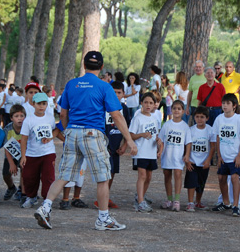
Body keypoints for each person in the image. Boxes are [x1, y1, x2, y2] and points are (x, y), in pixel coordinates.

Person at [35, 51, 137, 231]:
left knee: (65, 175)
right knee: (103, 177)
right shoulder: (104, 87)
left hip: (73, 131)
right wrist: (129, 140)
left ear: (84, 64)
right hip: (93, 133)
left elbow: (63, 113)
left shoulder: (71, 84)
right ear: (102, 67)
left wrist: (68, 131)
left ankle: (45, 207)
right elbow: (116, 115)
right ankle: (103, 219)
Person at [21, 93, 63, 225]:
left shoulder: (50, 118)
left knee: (48, 177)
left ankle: (46, 201)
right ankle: (31, 196)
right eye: (39, 103)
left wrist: (51, 137)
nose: (41, 106)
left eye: (44, 103)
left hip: (48, 152)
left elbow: (56, 130)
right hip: (32, 154)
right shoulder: (29, 120)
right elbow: (24, 138)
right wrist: (23, 155)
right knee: (29, 176)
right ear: (33, 104)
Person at [211, 93, 240, 217]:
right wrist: (219, 155)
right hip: (224, 155)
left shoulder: (238, 119)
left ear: (234, 106)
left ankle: (236, 204)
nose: (225, 106)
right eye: (223, 103)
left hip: (235, 156)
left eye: (228, 103)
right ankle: (226, 202)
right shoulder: (219, 119)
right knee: (221, 178)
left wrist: (239, 155)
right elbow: (218, 137)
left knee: (234, 178)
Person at [99, 81, 131, 209]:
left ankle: (106, 196)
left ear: (123, 94)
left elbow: (127, 127)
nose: (116, 95)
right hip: (104, 145)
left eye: (119, 92)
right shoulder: (103, 107)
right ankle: (101, 199)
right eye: (114, 92)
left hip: (116, 146)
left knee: (112, 172)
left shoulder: (124, 108)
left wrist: (124, 145)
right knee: (105, 172)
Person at [130, 92, 163, 213]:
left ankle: (140, 197)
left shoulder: (154, 119)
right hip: (141, 152)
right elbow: (131, 135)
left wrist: (158, 142)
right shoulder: (137, 118)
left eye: (151, 103)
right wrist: (142, 135)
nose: (148, 105)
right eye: (146, 102)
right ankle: (140, 202)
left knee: (149, 177)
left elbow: (155, 134)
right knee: (142, 176)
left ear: (155, 105)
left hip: (151, 152)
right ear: (141, 103)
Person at [159, 100, 192, 212]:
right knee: (167, 175)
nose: (176, 111)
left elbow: (188, 142)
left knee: (178, 175)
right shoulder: (167, 125)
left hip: (178, 156)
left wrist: (187, 155)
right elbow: (161, 140)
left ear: (183, 111)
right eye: (174, 108)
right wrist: (160, 151)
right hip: (167, 154)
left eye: (179, 109)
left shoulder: (185, 126)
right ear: (171, 110)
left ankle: (177, 200)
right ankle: (169, 199)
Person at [184, 105, 216, 211]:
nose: (199, 119)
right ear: (194, 118)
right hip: (193, 161)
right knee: (191, 182)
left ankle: (198, 201)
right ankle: (190, 202)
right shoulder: (191, 130)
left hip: (204, 162)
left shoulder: (210, 130)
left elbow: (212, 147)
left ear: (207, 118)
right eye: (197, 116)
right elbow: (187, 145)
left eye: (202, 117)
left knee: (201, 183)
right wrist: (187, 159)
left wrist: (208, 160)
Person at [2, 104, 26, 202]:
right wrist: (11, 163)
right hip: (11, 154)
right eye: (16, 116)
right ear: (11, 118)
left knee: (24, 171)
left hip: (24, 154)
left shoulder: (26, 127)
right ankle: (11, 187)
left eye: (22, 116)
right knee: (6, 173)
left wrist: (24, 157)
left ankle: (23, 192)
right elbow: (7, 147)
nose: (19, 119)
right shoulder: (8, 129)